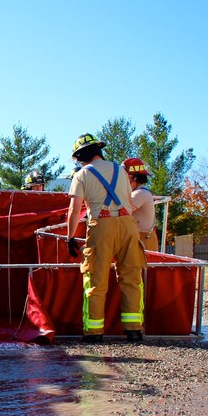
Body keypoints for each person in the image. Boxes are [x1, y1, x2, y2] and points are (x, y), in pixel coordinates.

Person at [65, 133, 146, 343]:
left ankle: (94, 332)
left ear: (80, 156)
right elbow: (128, 201)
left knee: (95, 279)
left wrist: (70, 237)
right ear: (99, 150)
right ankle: (134, 330)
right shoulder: (121, 170)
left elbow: (74, 210)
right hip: (128, 225)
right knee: (131, 278)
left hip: (102, 226)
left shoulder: (81, 175)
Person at [123, 157, 158, 252]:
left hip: (143, 240)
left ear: (134, 178)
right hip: (140, 238)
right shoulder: (141, 192)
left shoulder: (140, 193)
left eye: (126, 178)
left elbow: (124, 210)